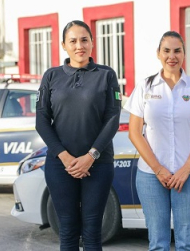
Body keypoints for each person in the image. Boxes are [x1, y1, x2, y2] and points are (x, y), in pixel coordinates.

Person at [123, 31, 190, 251]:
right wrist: (159, 170)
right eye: (166, 51)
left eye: (177, 51)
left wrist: (185, 169)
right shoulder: (145, 87)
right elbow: (134, 132)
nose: (171, 56)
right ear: (158, 54)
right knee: (158, 242)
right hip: (151, 176)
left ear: (184, 54)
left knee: (186, 242)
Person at [35, 20, 121, 250]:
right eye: (72, 41)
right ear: (64, 45)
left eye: (84, 40)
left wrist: (90, 156)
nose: (79, 45)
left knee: (93, 230)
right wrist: (64, 157)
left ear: (92, 42)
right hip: (60, 165)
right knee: (68, 229)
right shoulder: (51, 76)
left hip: (98, 163)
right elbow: (42, 121)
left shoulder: (106, 75)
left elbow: (113, 119)